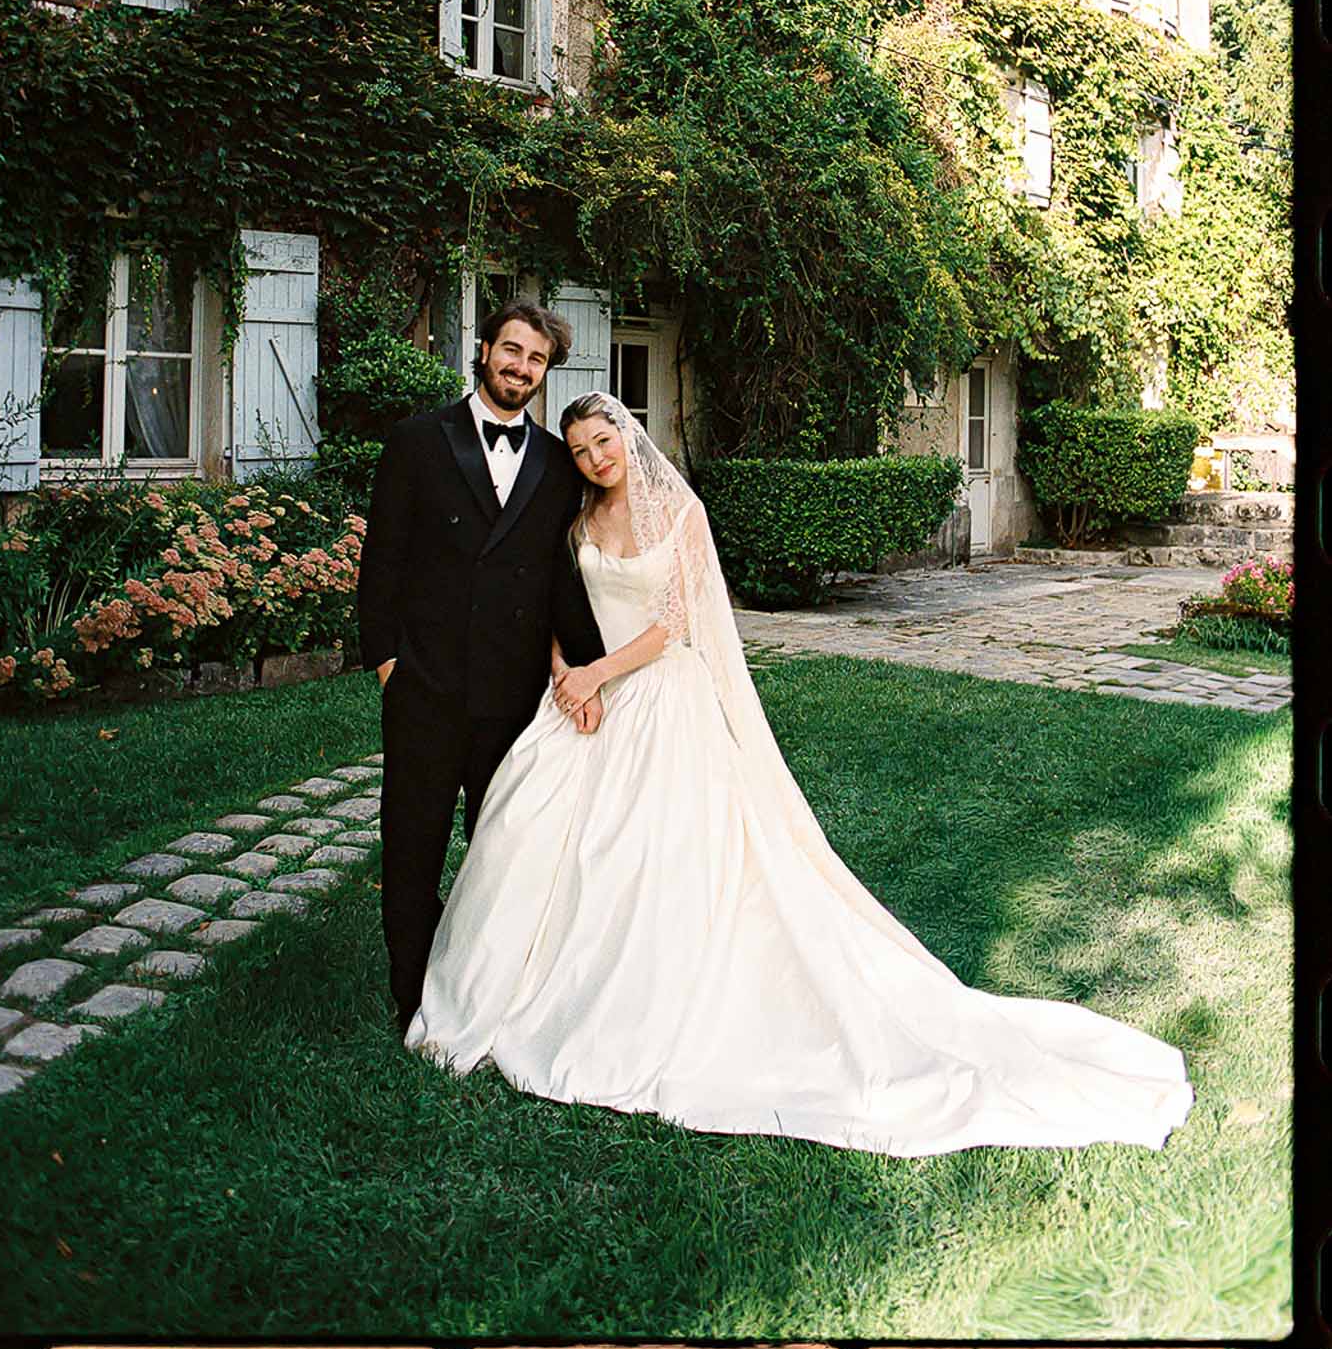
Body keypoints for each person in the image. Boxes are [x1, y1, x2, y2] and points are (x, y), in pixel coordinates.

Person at [404, 389, 1195, 1156]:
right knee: (529, 827)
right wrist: (564, 674)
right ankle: (515, 993)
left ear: (627, 436)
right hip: (586, 693)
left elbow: (674, 623)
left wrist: (600, 673)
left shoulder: (679, 513)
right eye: (579, 451)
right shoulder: (577, 519)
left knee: (661, 860)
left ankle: (648, 1008)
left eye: (603, 442)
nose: (594, 458)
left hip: (656, 694)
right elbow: (555, 606)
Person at [356, 301, 605, 1038]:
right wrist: (389, 665)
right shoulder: (416, 442)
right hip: (425, 688)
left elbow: (562, 581)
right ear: (484, 349)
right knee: (412, 847)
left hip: (513, 695)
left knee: (503, 852)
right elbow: (383, 564)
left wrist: (590, 668)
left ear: (545, 373)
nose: (521, 368)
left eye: (536, 360)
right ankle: (414, 998)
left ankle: (488, 990)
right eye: (512, 351)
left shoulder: (558, 465)